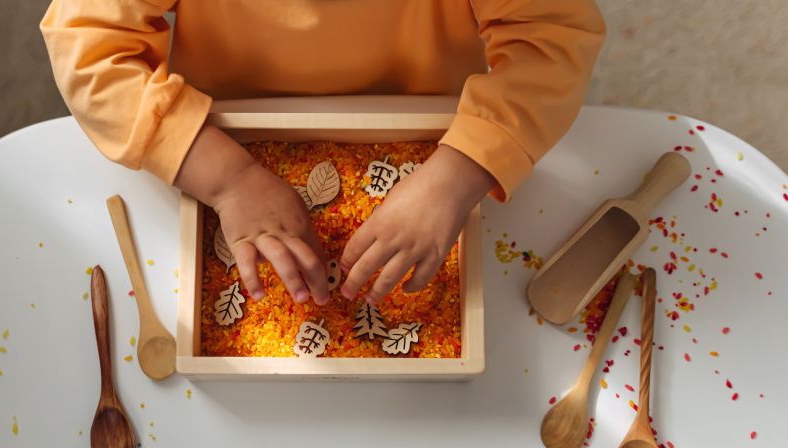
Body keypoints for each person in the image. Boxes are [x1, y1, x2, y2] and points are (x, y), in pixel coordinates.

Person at [40, 0, 605, 307]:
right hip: (224, 126)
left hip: (434, 124)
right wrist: (228, 178)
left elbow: (551, 40)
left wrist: (458, 174)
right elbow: (87, 48)